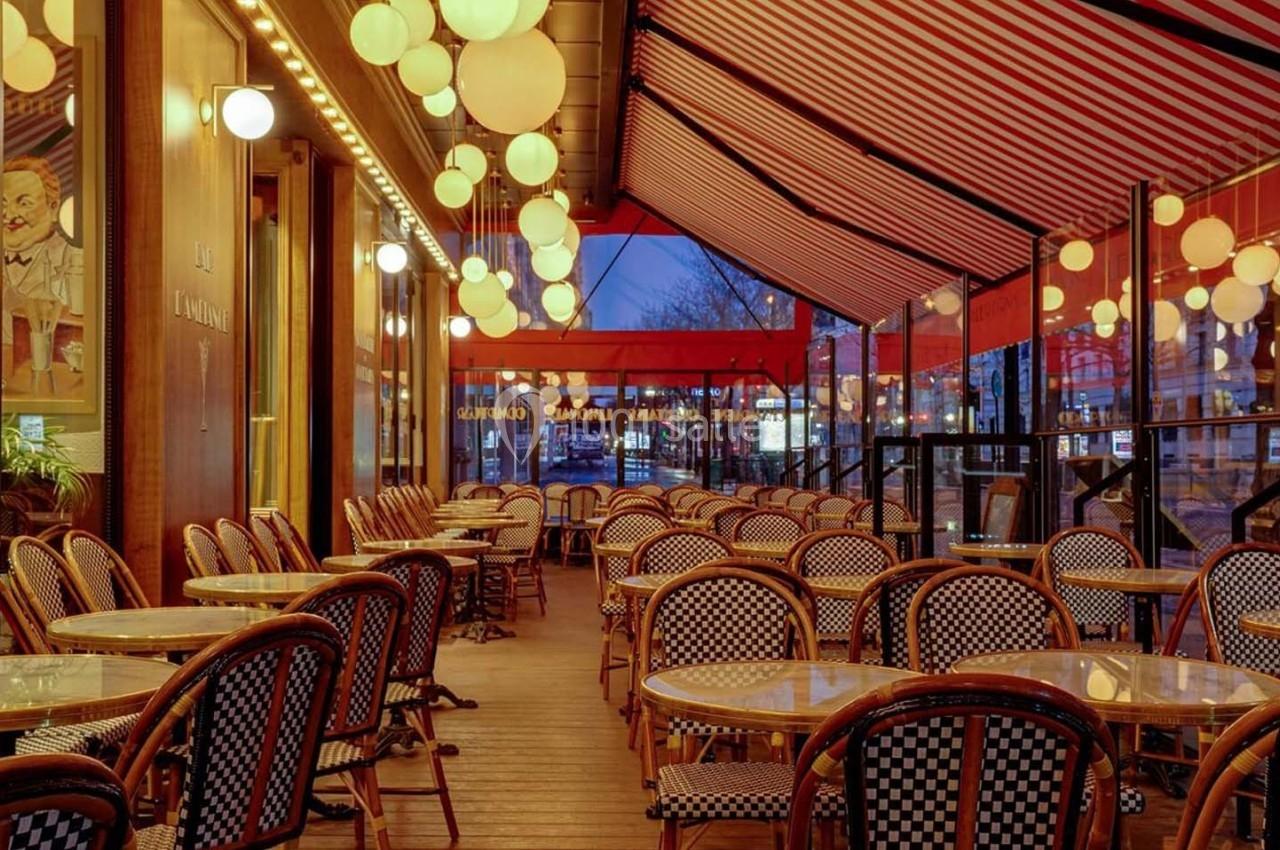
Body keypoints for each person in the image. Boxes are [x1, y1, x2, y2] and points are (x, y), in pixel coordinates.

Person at [3, 155, 82, 388]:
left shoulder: (75, 262)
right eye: (3, 203)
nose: (8, 215)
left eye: (23, 203)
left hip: (45, 384)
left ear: (53, 206)